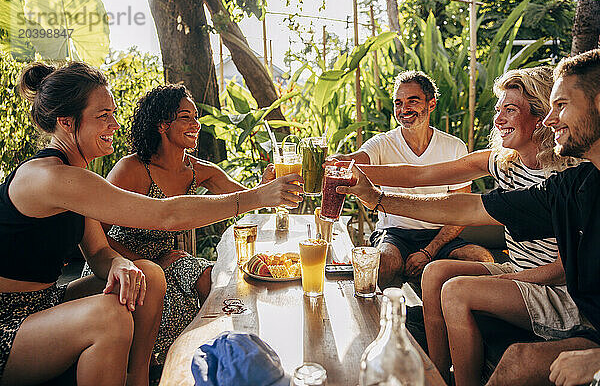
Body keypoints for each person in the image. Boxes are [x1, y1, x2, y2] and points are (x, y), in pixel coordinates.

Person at [0, 62, 302, 386]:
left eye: (114, 114)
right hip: (9, 320)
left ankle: (140, 378)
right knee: (109, 317)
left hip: (47, 301)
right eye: (103, 116)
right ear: (66, 122)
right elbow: (165, 215)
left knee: (149, 275)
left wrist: (118, 263)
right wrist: (258, 197)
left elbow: (98, 248)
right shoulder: (49, 177)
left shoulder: (77, 178)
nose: (115, 124)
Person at [338, 49, 600, 386]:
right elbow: (445, 191)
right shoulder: (565, 184)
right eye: (498, 109)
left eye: (559, 107)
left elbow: (563, 267)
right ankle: (438, 372)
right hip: (518, 270)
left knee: (457, 290)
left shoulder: (566, 174)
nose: (552, 119)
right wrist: (363, 185)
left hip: (553, 286)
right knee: (436, 275)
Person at [81, 84, 275, 365]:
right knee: (168, 293)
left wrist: (266, 185)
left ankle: (230, 357)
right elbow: (93, 233)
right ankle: (153, 368)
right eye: (186, 117)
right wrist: (144, 261)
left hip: (167, 261)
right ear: (162, 125)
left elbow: (247, 197)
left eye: (196, 117)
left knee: (213, 279)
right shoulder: (133, 169)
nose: (195, 124)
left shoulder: (199, 170)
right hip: (118, 262)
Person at [329, 70, 492, 287]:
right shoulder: (381, 143)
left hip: (439, 236)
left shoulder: (454, 147)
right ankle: (388, 318)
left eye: (412, 101)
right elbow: (355, 160)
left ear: (431, 104)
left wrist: (429, 251)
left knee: (482, 260)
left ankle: (442, 318)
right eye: (398, 102)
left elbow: (460, 213)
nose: (404, 109)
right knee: (386, 261)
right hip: (395, 233)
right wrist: (337, 160)